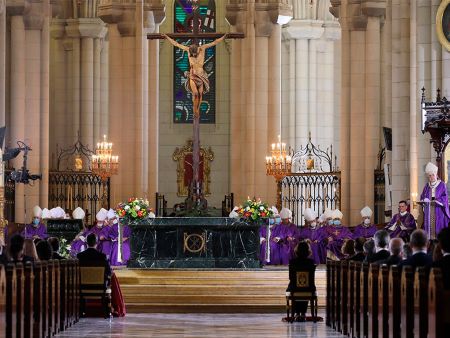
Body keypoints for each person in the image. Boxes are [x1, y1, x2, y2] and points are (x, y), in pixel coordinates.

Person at [163, 33, 227, 118]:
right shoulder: (188, 49)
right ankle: (194, 110)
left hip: (201, 76)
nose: (193, 56)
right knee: (196, 94)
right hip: (193, 75)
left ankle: (198, 110)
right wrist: (167, 37)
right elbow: (176, 44)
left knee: (200, 94)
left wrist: (224, 37)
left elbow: (214, 42)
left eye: (195, 54)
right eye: (192, 55)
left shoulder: (202, 48)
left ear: (197, 50)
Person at [286, 241, 316, 321]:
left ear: (297, 250)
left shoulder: (292, 262)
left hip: (294, 288)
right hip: (308, 288)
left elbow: (291, 277)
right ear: (308, 251)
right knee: (306, 287)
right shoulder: (310, 262)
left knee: (295, 287)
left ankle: (297, 312)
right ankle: (303, 313)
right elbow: (311, 278)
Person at [420, 162, 450, 239]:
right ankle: (429, 242)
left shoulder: (442, 184)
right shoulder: (426, 186)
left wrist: (437, 200)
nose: (431, 177)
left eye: (433, 175)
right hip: (429, 210)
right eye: (429, 176)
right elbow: (422, 196)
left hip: (438, 210)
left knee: (438, 228)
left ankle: (439, 242)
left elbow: (445, 197)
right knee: (428, 231)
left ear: (436, 175)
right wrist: (424, 200)